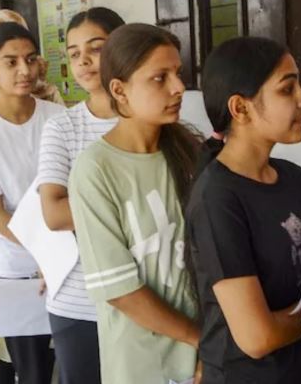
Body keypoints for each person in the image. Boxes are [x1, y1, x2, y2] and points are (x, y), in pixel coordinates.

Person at [186, 36, 301, 384]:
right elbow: (257, 338)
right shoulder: (217, 199)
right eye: (287, 89)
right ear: (241, 108)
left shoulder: (293, 177)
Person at [68, 23, 202, 384]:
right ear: (119, 90)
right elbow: (121, 292)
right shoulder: (96, 169)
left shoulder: (189, 153)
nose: (178, 87)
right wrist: (200, 340)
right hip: (143, 363)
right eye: (160, 78)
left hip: (204, 355)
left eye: (177, 73)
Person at [0, 10, 64, 382]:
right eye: (11, 62)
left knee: (76, 363)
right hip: (17, 269)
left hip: (67, 263)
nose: (25, 70)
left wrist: (60, 255)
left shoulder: (57, 116)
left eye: (30, 59)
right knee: (33, 371)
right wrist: (46, 251)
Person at [34, 7, 125, 384]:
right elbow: (54, 213)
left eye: (96, 48)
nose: (83, 61)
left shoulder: (155, 123)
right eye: (74, 54)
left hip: (149, 296)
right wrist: (133, 198)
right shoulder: (63, 127)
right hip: (78, 299)